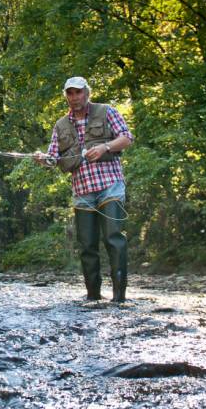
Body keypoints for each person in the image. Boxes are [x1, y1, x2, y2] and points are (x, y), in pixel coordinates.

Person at [34, 76, 134, 302]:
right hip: (83, 193)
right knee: (87, 246)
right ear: (66, 97)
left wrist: (105, 146)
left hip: (110, 186)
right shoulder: (60, 125)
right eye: (70, 93)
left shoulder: (107, 111)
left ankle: (119, 298)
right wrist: (43, 159)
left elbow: (127, 138)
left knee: (113, 238)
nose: (74, 97)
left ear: (87, 93)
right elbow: (53, 158)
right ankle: (93, 298)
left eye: (78, 92)